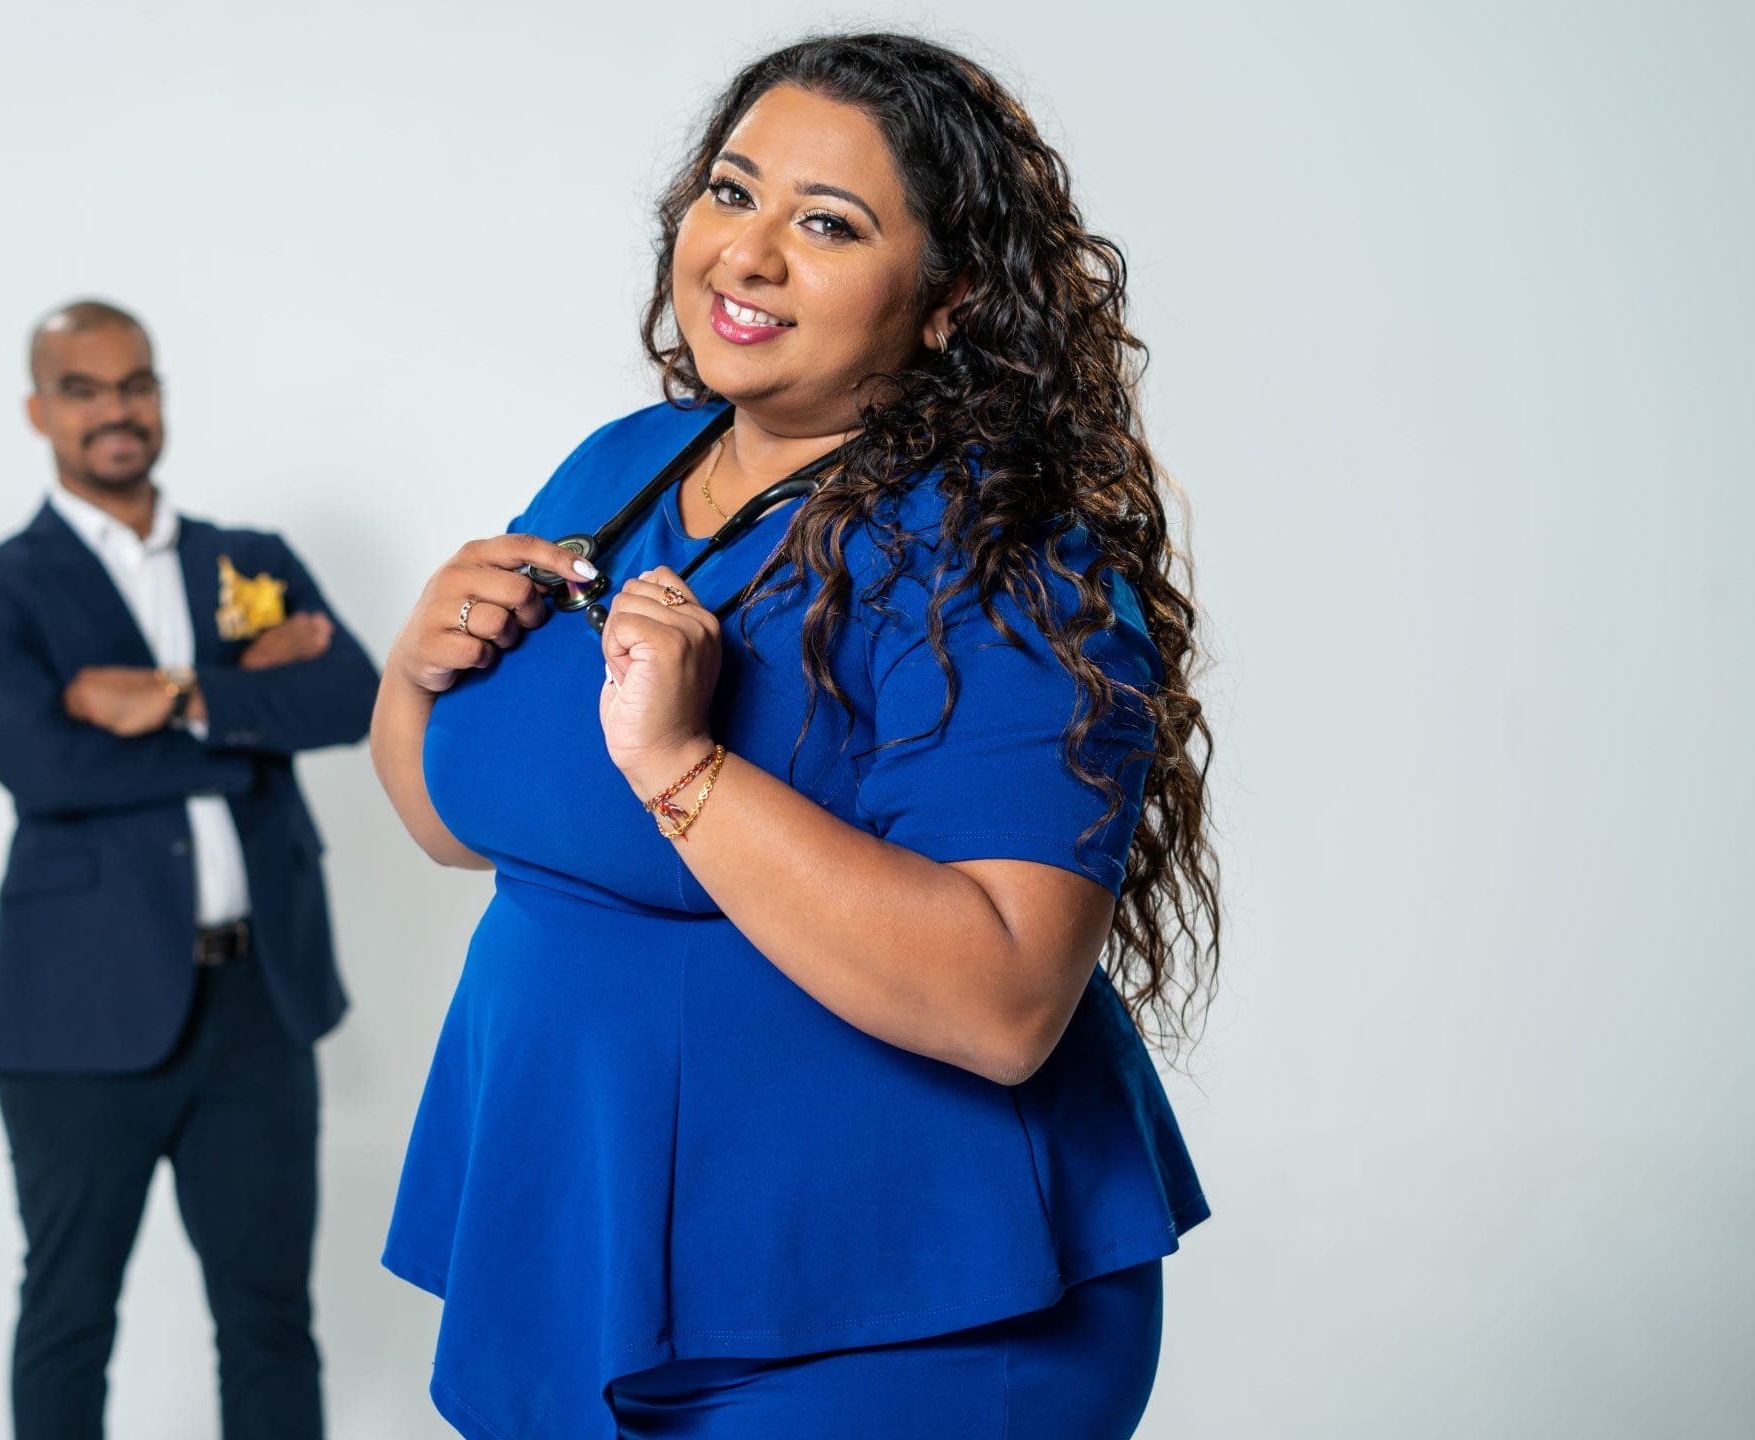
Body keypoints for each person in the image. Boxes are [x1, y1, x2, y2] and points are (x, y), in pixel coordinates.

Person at [371, 35, 1219, 1440]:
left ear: (950, 296)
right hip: (580, 1248)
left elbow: (1006, 1002)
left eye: (827, 224)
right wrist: (413, 675)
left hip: (898, 1306)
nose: (747, 254)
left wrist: (681, 767)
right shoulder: (623, 465)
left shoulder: (1001, 561)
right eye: (731, 192)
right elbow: (469, 824)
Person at [0, 299, 376, 1440]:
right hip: (74, 1018)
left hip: (258, 1006)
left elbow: (350, 698)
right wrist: (245, 718)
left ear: (160, 397)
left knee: (270, 1319)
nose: (115, 409)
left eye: (134, 383)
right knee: (71, 1314)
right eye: (82, 389)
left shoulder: (249, 560)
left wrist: (175, 695)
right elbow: (43, 766)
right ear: (39, 410)